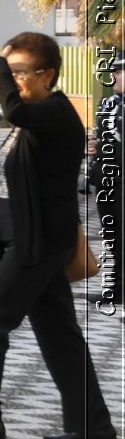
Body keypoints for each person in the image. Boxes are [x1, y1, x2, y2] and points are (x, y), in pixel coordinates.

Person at [0, 33, 115, 439]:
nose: (12, 80)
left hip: (36, 244)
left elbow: (13, 109)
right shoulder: (36, 116)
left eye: (20, 72)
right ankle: (94, 428)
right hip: (27, 237)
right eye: (10, 71)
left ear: (48, 74)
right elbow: (24, 173)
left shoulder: (53, 109)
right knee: (59, 333)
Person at [88, 54, 122, 307]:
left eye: (120, 72)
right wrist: (91, 146)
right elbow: (101, 136)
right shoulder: (109, 102)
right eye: (114, 72)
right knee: (112, 236)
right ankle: (117, 287)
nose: (115, 76)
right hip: (105, 179)